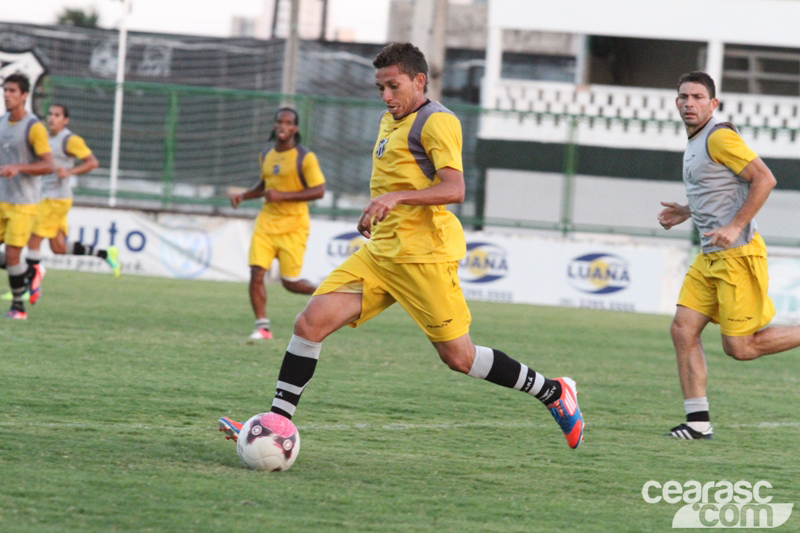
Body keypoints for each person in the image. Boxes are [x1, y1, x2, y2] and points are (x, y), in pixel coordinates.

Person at [219, 42, 584, 450]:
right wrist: (379, 207)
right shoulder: (389, 120)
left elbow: (454, 188)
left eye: (393, 86)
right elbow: (398, 179)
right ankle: (275, 424)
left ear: (419, 80)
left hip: (423, 258)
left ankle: (553, 392)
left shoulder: (438, 122)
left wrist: (396, 198)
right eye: (380, 89)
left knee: (459, 358)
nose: (386, 96)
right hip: (380, 255)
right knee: (309, 324)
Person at [658, 71, 800, 440]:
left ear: (713, 104)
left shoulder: (720, 136)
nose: (689, 103)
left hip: (736, 255)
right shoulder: (696, 140)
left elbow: (764, 178)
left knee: (740, 347)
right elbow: (719, 186)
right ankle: (698, 423)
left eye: (697, 97)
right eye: (683, 96)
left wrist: (736, 226)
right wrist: (687, 210)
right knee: (682, 330)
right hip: (710, 257)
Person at [230, 107, 326, 340]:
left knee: (290, 283)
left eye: (288, 123)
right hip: (266, 223)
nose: (283, 126)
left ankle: (330, 293)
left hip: (293, 226)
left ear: (295, 128)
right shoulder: (266, 154)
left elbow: (319, 191)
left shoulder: (305, 157)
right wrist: (244, 196)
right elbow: (264, 186)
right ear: (275, 125)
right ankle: (262, 327)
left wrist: (282, 196)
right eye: (279, 122)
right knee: (256, 273)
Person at [20, 104, 120, 305]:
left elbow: (92, 162)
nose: (52, 118)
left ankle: (29, 288)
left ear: (65, 120)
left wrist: (69, 172)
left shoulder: (70, 140)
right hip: (46, 196)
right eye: (50, 114)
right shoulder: (45, 138)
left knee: (33, 240)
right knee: (58, 247)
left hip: (56, 198)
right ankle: (105, 253)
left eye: (57, 115)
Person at [0, 73, 54, 319]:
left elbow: (48, 165)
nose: (7, 95)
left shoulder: (35, 127)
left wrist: (19, 167)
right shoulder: (2, 123)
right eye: (5, 89)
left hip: (24, 203)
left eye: (12, 91)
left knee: (12, 253)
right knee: (12, 258)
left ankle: (18, 308)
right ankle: (29, 274)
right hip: (2, 199)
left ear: (24, 95)